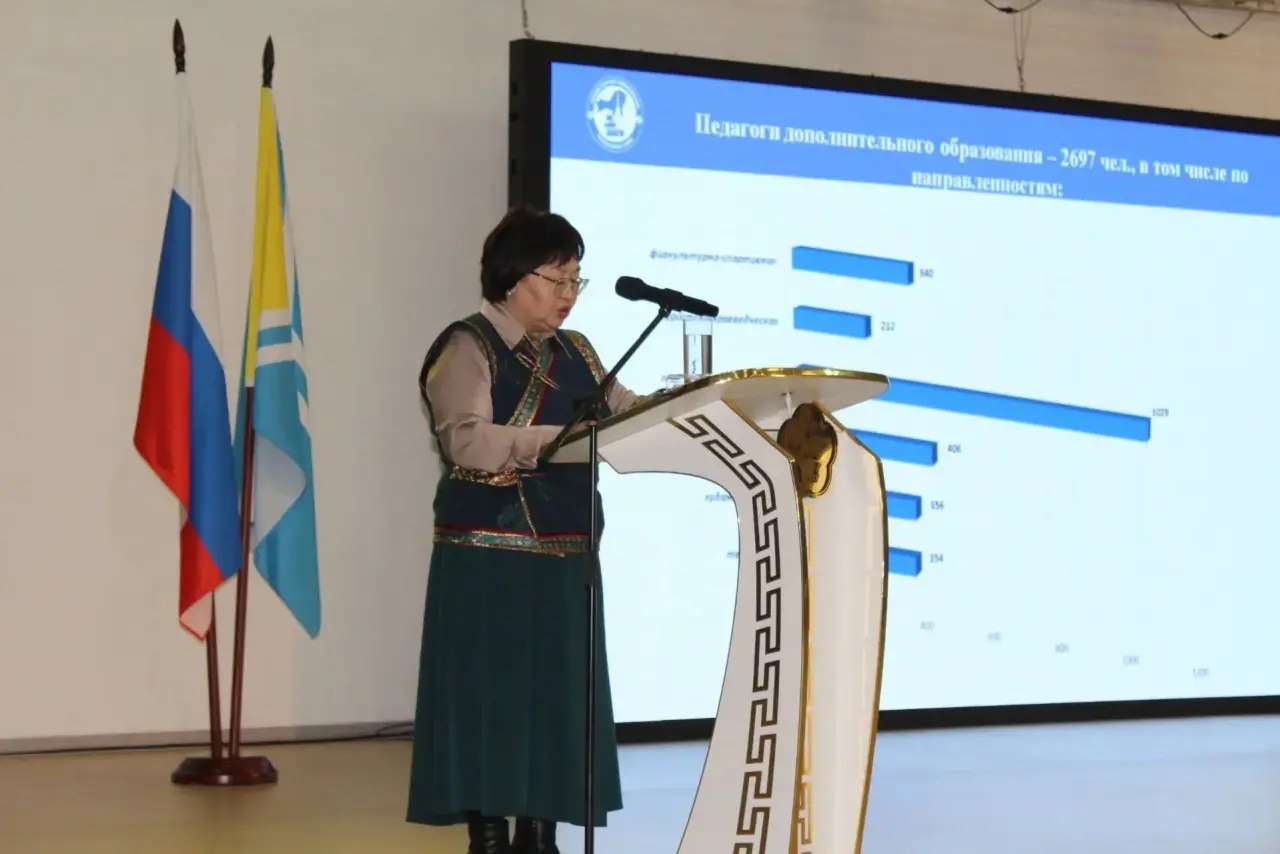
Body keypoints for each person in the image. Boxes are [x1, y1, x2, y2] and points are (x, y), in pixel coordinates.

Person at [407, 206, 645, 854]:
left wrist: (693, 406)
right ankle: (487, 835)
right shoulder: (468, 345)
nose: (569, 294)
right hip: (489, 555)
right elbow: (466, 441)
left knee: (555, 699)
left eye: (576, 280)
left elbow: (628, 415)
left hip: (566, 554)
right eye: (557, 278)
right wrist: (560, 440)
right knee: (490, 697)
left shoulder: (579, 352)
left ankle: (541, 835)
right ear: (513, 277)